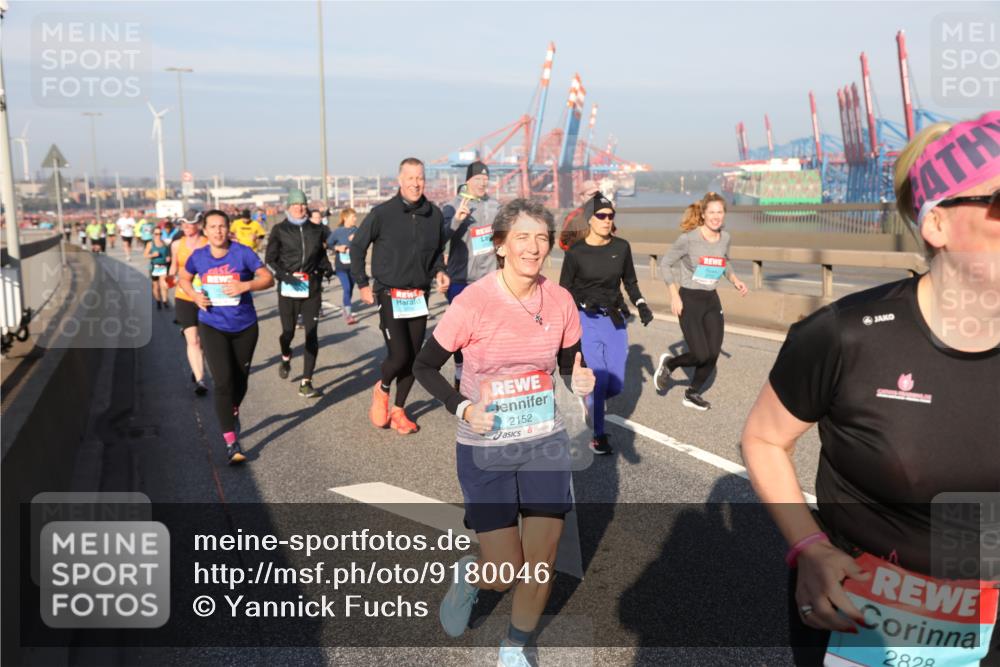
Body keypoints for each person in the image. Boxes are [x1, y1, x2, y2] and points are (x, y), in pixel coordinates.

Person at [742, 111, 1000, 667]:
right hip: (871, 622)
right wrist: (808, 547)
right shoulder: (844, 336)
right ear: (937, 225)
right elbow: (763, 441)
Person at [413, 198, 596, 665]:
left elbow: (568, 362)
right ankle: (472, 576)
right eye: (522, 237)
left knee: (542, 560)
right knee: (504, 570)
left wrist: (579, 379)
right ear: (500, 245)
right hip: (485, 445)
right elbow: (425, 365)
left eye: (541, 238)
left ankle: (514, 648)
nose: (533, 248)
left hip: (543, 441)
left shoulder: (560, 300)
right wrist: (463, 407)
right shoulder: (472, 302)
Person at [351, 157, 449, 434]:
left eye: (420, 178)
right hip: (389, 293)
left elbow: (437, 252)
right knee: (399, 355)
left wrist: (440, 271)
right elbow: (357, 247)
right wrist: (362, 283)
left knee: (414, 358)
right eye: (411, 178)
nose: (416, 183)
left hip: (418, 295)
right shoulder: (383, 213)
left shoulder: (434, 214)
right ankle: (382, 389)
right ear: (400, 180)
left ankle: (399, 410)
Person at [559, 193, 653, 454]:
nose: (607, 220)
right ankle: (598, 436)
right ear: (590, 219)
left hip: (614, 318)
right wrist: (581, 303)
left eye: (611, 216)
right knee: (599, 378)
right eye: (602, 215)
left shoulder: (621, 247)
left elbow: (630, 282)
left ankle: (590, 399)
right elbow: (564, 289)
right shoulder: (577, 252)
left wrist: (641, 304)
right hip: (586, 320)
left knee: (616, 384)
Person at [179, 209, 274, 465]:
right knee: (222, 382)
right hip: (212, 325)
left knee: (240, 381)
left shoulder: (242, 253)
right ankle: (231, 442)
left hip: (245, 326)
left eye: (222, 226)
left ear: (227, 228)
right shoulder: (198, 256)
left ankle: (232, 408)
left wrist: (246, 285)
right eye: (213, 227)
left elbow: (268, 278)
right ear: (205, 230)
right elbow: (183, 278)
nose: (218, 231)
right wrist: (195, 295)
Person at [653, 192, 748, 410]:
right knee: (700, 354)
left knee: (712, 353)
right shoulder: (688, 239)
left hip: (711, 301)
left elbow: (724, 262)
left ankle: (692, 393)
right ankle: (671, 363)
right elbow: (666, 264)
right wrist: (674, 294)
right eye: (712, 212)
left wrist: (735, 280)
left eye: (720, 212)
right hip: (690, 300)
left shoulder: (725, 238)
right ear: (703, 214)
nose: (716, 216)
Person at [265, 189, 334, 398]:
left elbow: (321, 255)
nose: (300, 207)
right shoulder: (279, 229)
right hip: (288, 287)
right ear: (289, 207)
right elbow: (270, 259)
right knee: (288, 332)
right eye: (295, 204)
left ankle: (306, 382)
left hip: (311, 287)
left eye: (303, 204)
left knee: (311, 333)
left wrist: (327, 267)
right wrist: (285, 276)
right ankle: (286, 355)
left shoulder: (317, 229)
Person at [440, 161, 502, 390]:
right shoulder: (452, 205)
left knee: (488, 332)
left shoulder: (495, 206)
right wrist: (456, 220)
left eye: (485, 180)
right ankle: (459, 368)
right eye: (478, 179)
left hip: (489, 279)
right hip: (460, 278)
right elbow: (440, 238)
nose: (483, 183)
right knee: (462, 331)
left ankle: (485, 379)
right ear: (468, 181)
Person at [169, 212, 210, 396]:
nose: (185, 226)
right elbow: (174, 268)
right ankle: (200, 379)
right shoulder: (177, 244)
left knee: (203, 341)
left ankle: (199, 367)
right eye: (183, 223)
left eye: (190, 223)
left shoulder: (208, 243)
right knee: (192, 340)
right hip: (184, 296)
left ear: (199, 224)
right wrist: (167, 278)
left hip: (205, 297)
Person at [328, 207, 359, 325]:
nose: (355, 219)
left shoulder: (357, 230)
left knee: (350, 289)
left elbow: (364, 244)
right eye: (353, 217)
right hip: (341, 266)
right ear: (345, 218)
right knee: (346, 288)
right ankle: (348, 314)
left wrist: (356, 240)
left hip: (353, 266)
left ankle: (346, 307)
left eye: (356, 216)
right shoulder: (338, 232)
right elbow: (328, 244)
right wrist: (338, 248)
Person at [558, 180, 600, 251]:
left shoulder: (605, 215)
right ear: (582, 197)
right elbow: (563, 242)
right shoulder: (573, 217)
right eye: (591, 195)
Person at [144, 230, 171, 310]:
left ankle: (165, 301)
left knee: (164, 284)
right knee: (156, 286)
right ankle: (158, 301)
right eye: (156, 234)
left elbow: (168, 254)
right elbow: (145, 255)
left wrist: (168, 257)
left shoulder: (165, 243)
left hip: (163, 266)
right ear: (153, 234)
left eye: (160, 234)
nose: (158, 235)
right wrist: (153, 255)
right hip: (154, 266)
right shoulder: (150, 244)